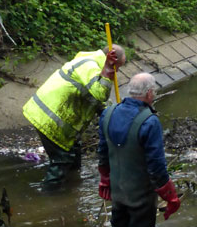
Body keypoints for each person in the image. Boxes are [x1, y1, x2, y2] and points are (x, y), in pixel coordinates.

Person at [98, 72, 180, 227]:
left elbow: (102, 153)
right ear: (150, 94)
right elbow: (156, 166)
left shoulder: (107, 114)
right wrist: (170, 197)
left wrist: (105, 181)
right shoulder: (149, 122)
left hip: (118, 190)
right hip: (141, 197)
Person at [23, 44, 125, 188]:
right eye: (117, 67)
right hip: (49, 117)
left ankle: (71, 187)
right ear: (111, 61)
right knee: (63, 159)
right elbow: (101, 93)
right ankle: (48, 196)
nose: (117, 71)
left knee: (74, 157)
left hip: (51, 116)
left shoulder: (92, 64)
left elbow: (96, 101)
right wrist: (108, 69)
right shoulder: (90, 65)